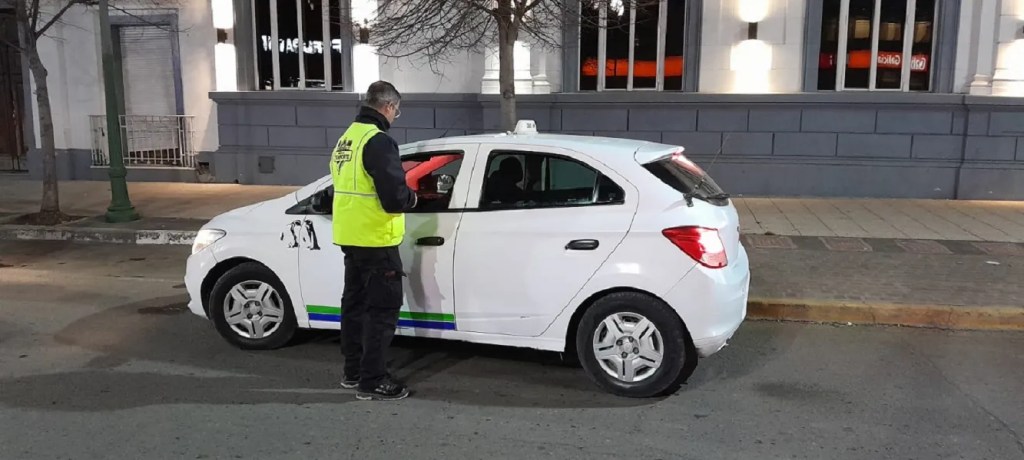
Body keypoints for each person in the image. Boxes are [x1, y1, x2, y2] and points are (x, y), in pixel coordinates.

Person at [330, 81, 417, 401]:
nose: (396, 117)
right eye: (397, 111)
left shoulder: (347, 139)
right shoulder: (379, 142)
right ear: (388, 107)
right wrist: (415, 198)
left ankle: (353, 372)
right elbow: (394, 198)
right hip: (377, 241)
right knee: (381, 311)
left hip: (351, 239)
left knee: (354, 307)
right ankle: (373, 379)